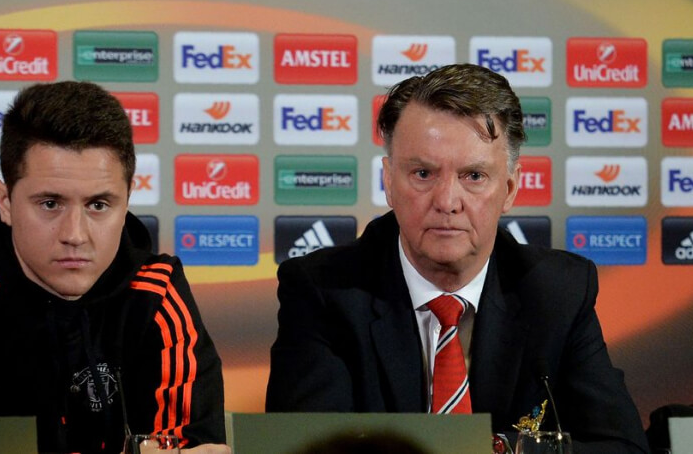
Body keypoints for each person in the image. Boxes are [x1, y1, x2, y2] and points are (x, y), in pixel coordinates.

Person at [266, 64, 649, 453]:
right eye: (423, 173)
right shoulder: (324, 292)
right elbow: (303, 449)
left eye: (474, 176)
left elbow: (622, 448)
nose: (447, 201)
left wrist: (499, 449)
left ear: (510, 188)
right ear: (389, 182)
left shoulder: (557, 292)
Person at [0, 81, 229, 454]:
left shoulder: (156, 291)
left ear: (127, 200)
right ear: (5, 202)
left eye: (98, 205)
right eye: (50, 204)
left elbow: (196, 446)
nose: (74, 235)